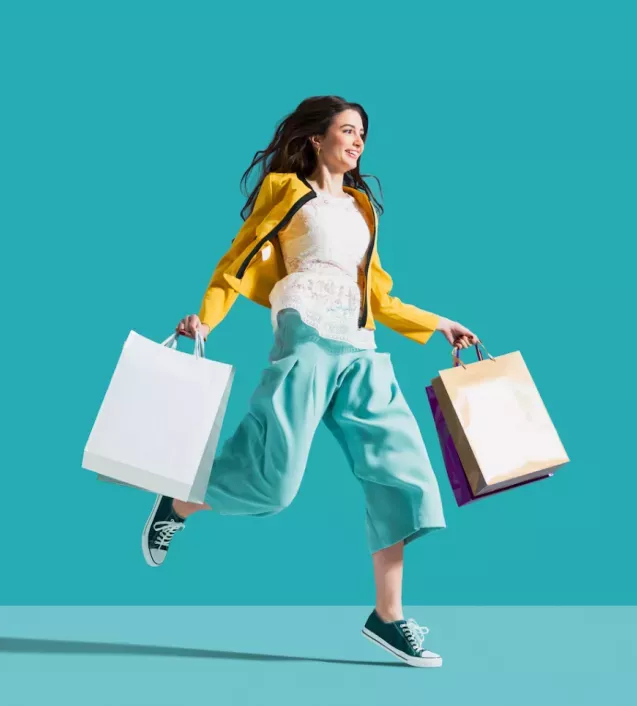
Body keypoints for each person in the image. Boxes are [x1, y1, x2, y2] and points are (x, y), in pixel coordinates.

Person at [140, 96, 479, 669]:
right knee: (273, 487)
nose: (358, 142)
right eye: (347, 131)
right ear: (317, 140)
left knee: (406, 477)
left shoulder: (362, 208)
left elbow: (379, 295)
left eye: (363, 134)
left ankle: (389, 619)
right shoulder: (286, 193)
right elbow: (234, 264)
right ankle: (178, 501)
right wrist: (206, 317)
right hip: (307, 336)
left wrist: (439, 323)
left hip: (362, 346)